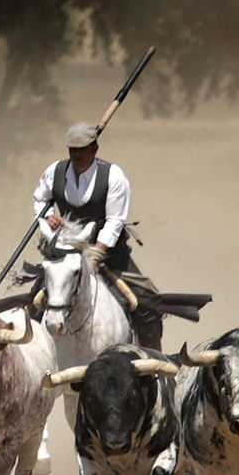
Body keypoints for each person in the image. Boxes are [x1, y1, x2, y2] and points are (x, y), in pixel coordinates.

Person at [31, 122, 162, 350]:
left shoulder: (113, 176)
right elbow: (40, 198)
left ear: (95, 148)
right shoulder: (55, 171)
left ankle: (154, 365)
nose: (77, 154)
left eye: (82, 149)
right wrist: (49, 214)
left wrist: (95, 253)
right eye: (73, 149)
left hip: (110, 255)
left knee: (146, 307)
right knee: (35, 303)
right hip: (66, 253)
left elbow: (114, 220)